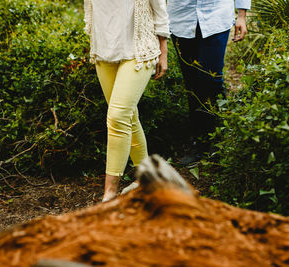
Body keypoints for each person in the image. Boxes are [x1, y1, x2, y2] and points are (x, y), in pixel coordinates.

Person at [83, 0, 170, 202]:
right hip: (104, 52)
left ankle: (109, 193)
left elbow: (160, 9)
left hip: (139, 52)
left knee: (118, 117)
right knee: (128, 118)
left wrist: (163, 50)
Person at [167, 0, 251, 164]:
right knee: (191, 83)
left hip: (216, 15)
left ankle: (220, 138)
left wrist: (241, 15)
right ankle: (199, 142)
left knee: (210, 79)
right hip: (181, 18)